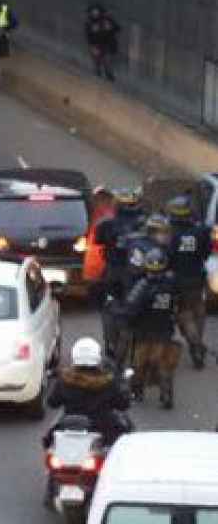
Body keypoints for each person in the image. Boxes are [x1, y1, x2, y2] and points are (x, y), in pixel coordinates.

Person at [45, 337, 132, 448]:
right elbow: (123, 404)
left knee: (53, 432)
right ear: (97, 358)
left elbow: (52, 402)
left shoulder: (65, 379)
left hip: (71, 425)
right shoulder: (108, 381)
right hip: (104, 427)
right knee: (126, 433)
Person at [122, 245, 181, 408]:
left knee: (139, 364)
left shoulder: (142, 286)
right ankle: (166, 393)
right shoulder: (172, 283)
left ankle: (136, 391)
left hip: (144, 332)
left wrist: (127, 321)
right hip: (165, 330)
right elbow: (178, 303)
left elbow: (131, 307)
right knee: (163, 364)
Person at [96, 190, 147, 358]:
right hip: (138, 274)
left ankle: (111, 344)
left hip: (114, 272)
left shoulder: (106, 224)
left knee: (109, 307)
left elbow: (99, 241)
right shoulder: (145, 223)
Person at [165, 194, 211, 369]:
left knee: (184, 315)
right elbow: (206, 253)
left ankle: (195, 344)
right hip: (197, 278)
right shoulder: (201, 231)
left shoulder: (170, 233)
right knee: (198, 311)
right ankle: (197, 344)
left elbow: (166, 257)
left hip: (178, 279)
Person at [86, 4, 121, 81]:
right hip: (97, 44)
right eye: (93, 13)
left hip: (109, 43)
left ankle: (109, 74)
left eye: (96, 13)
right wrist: (92, 46)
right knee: (97, 57)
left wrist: (110, 28)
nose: (95, 15)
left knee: (107, 60)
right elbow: (89, 36)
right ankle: (98, 70)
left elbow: (118, 28)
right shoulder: (90, 23)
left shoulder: (107, 20)